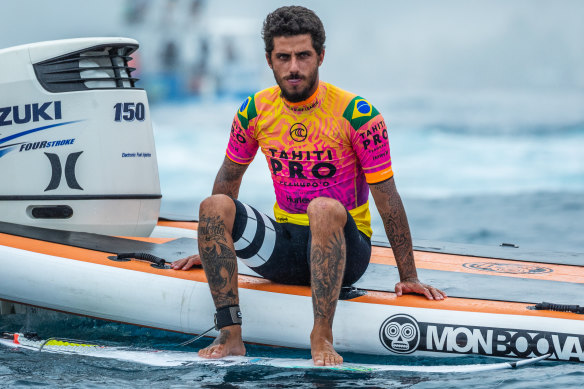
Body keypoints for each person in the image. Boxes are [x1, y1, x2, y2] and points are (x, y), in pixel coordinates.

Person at [171, 5, 447, 366]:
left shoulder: (357, 115)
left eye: (303, 56)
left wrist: (408, 275)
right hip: (284, 248)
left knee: (323, 207)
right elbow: (229, 178)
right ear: (269, 60)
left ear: (321, 56)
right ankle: (230, 334)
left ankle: (322, 336)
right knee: (212, 207)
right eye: (283, 57)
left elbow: (388, 197)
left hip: (347, 251)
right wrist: (213, 242)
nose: (294, 68)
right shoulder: (254, 111)